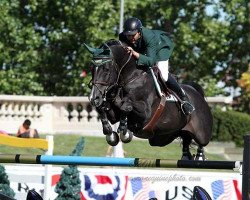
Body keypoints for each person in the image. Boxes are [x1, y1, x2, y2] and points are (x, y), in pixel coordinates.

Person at [119, 17, 195, 115]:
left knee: (163, 75)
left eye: (133, 35)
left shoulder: (149, 36)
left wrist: (135, 53)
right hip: (143, 49)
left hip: (160, 48)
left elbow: (151, 61)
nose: (131, 38)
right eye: (128, 35)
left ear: (139, 31)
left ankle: (183, 98)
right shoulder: (123, 36)